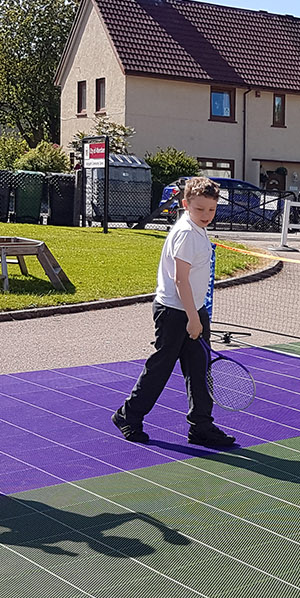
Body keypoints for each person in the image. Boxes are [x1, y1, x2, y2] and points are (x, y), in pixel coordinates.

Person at [113, 177, 237, 450]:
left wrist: (196, 315)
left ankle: (201, 426)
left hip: (193, 310)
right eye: (200, 209)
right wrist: (193, 318)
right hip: (174, 313)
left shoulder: (197, 229)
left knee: (200, 370)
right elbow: (180, 279)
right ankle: (128, 416)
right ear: (185, 204)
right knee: (160, 368)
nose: (206, 215)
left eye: (211, 209)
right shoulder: (187, 234)